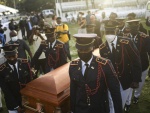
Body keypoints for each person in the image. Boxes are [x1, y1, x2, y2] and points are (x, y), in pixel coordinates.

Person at [69, 33, 122, 113]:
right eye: (80, 50)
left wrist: (118, 110)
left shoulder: (105, 65)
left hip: (99, 108)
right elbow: (73, 90)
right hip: (80, 108)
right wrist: (73, 109)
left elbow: (115, 91)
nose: (83, 52)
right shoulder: (73, 66)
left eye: (86, 50)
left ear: (92, 48)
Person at [99, 20, 142, 111]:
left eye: (111, 31)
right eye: (107, 32)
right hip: (111, 81)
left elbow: (136, 61)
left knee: (120, 103)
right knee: (112, 103)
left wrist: (136, 79)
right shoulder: (102, 48)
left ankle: (127, 104)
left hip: (126, 80)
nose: (109, 34)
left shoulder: (126, 43)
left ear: (116, 31)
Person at [124, 19, 150, 112]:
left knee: (140, 83)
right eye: (131, 27)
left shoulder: (145, 38)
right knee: (129, 84)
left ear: (139, 27)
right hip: (129, 66)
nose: (134, 29)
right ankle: (128, 101)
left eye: (136, 27)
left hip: (143, 65)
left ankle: (136, 96)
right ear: (129, 28)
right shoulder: (124, 37)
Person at [0, 44, 32, 113]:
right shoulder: (2, 70)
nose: (12, 59)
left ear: (17, 54)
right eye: (9, 57)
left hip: (26, 100)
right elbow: (6, 91)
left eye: (14, 56)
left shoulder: (25, 63)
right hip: (12, 103)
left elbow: (30, 82)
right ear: (5, 56)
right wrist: (16, 106)